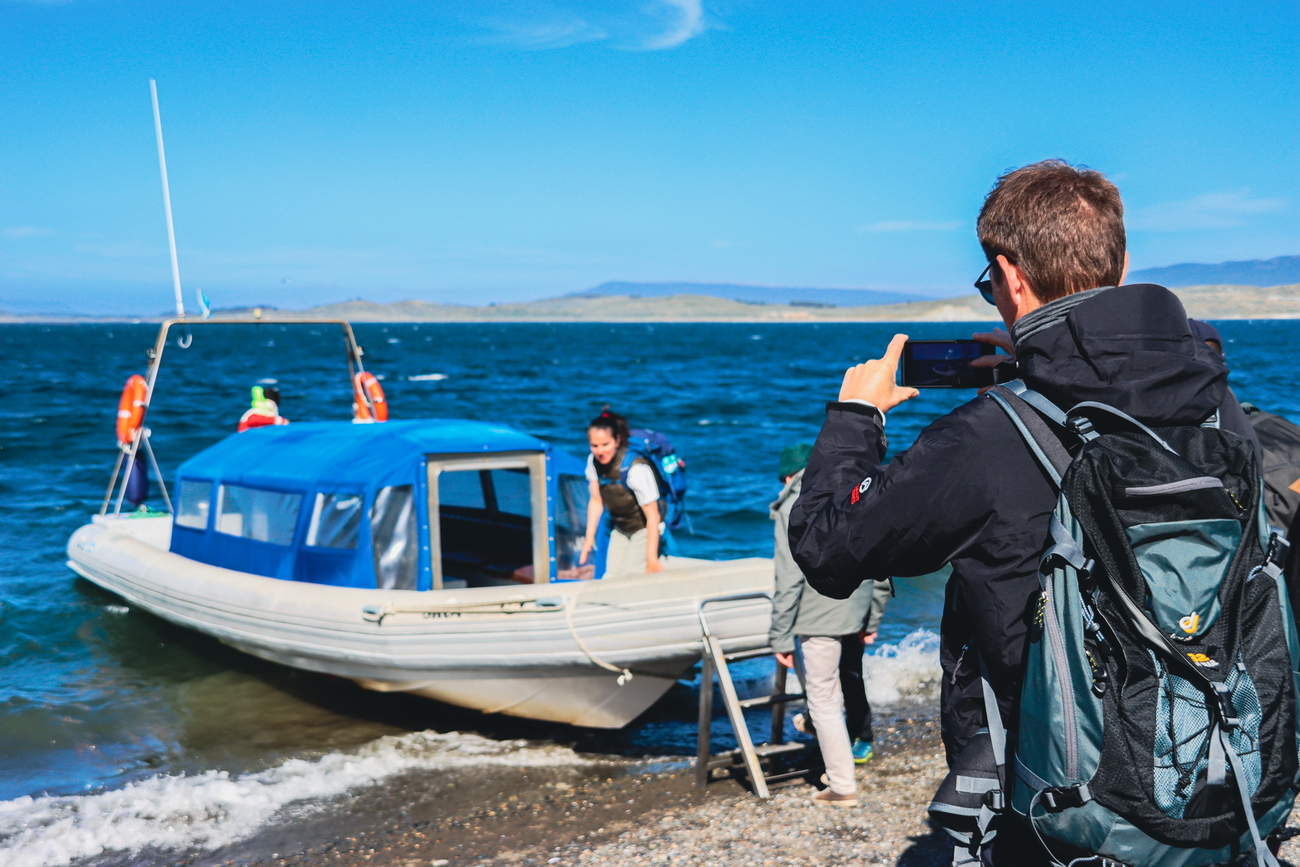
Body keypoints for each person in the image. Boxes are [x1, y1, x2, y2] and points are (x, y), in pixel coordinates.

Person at [788, 159, 1256, 862]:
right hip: (1211, 777)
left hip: (1054, 805)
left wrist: (856, 417)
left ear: (1010, 277)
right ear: (1123, 264)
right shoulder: (1218, 408)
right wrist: (1036, 362)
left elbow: (828, 547)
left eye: (990, 285)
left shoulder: (989, 433)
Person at [768, 443, 890, 807]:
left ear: (789, 477)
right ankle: (834, 746)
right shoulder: (854, 493)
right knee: (833, 692)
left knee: (822, 699)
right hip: (854, 609)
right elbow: (880, 559)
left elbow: (788, 577)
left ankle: (841, 784)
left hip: (818, 617)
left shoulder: (793, 506)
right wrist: (874, 614)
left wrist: (779, 635)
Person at [578, 410, 663, 579]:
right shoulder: (593, 462)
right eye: (594, 446)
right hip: (621, 527)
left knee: (630, 574)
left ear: (617, 440)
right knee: (610, 576)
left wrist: (651, 558)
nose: (600, 451)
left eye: (605, 444)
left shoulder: (636, 469)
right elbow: (596, 501)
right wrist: (588, 540)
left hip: (645, 528)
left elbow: (653, 515)